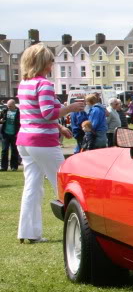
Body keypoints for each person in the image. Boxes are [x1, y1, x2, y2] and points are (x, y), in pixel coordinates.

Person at [16, 43, 85, 243]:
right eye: (51, 60)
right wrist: (70, 108)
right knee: (64, 183)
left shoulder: (24, 84)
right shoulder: (44, 84)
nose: (52, 64)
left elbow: (36, 114)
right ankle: (79, 230)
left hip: (25, 141)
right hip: (42, 141)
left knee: (32, 186)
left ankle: (27, 232)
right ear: (44, 63)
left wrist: (60, 127)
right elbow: (48, 113)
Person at [1, 98, 21, 171]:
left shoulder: (19, 112)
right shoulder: (4, 111)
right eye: (8, 106)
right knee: (4, 150)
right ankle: (3, 167)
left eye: (10, 106)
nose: (8, 107)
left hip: (15, 134)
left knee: (14, 150)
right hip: (5, 134)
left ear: (14, 105)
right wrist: (1, 121)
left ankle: (14, 167)